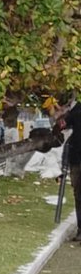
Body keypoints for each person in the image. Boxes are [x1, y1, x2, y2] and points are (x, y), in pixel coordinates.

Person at [58, 97, 81, 242]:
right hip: (76, 158)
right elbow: (63, 125)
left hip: (76, 159)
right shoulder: (77, 109)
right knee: (78, 195)